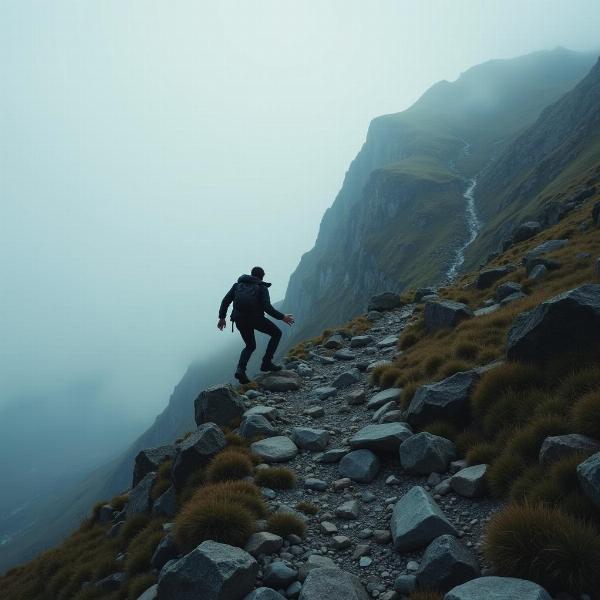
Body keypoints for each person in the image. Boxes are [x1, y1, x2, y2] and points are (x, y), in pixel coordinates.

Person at [218, 266, 295, 384]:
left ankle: (241, 370)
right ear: (262, 275)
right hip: (255, 319)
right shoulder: (261, 287)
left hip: (239, 320)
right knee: (276, 333)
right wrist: (283, 317)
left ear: (251, 274)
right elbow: (267, 308)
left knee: (249, 346)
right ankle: (266, 363)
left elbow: (225, 301)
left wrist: (222, 318)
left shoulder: (237, 286)